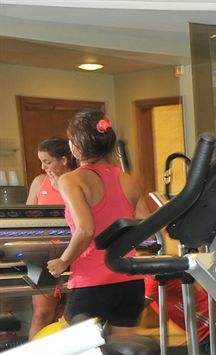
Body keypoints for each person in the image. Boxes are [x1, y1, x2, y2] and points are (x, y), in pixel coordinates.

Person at [47, 110, 150, 335]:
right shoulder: (128, 180)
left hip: (91, 282)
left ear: (76, 146)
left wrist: (63, 262)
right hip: (128, 280)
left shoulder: (71, 179)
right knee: (121, 354)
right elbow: (147, 229)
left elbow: (85, 230)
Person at [25, 137, 77, 338]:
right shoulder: (39, 182)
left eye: (47, 162)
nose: (43, 166)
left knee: (68, 314)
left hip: (75, 251)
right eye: (41, 162)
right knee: (42, 312)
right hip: (43, 254)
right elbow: (28, 219)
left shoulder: (77, 180)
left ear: (64, 160)